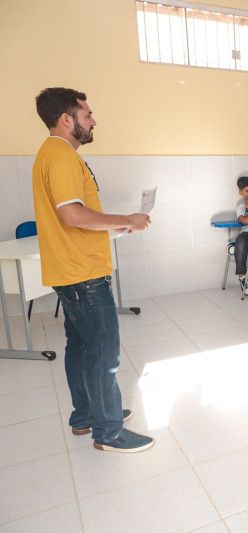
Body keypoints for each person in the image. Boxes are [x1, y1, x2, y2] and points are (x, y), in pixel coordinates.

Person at [32, 87, 153, 452]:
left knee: (82, 348)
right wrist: (127, 219)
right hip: (82, 275)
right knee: (103, 352)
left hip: (70, 270)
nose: (93, 120)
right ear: (66, 119)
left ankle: (87, 415)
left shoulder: (51, 153)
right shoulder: (62, 157)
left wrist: (113, 227)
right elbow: (72, 215)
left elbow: (74, 216)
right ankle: (109, 431)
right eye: (87, 115)